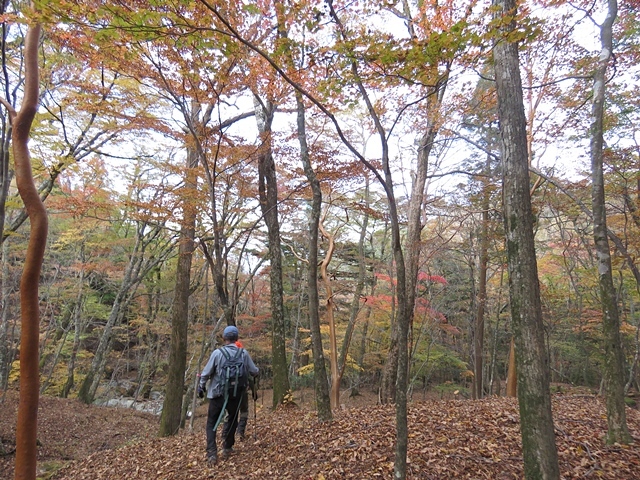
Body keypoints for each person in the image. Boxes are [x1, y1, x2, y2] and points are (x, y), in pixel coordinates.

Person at [198, 325, 259, 465]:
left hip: (217, 394)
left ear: (224, 338)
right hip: (236, 394)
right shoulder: (243, 353)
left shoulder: (217, 353)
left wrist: (201, 387)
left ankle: (212, 453)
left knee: (211, 423)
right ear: (236, 338)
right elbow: (254, 371)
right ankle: (227, 447)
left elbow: (206, 373)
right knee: (232, 419)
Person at [221, 340, 259, 441]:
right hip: (242, 390)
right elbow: (251, 376)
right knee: (244, 411)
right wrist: (254, 393)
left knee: (228, 413)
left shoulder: (225, 357)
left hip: (228, 390)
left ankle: (225, 434)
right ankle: (240, 432)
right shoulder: (243, 357)